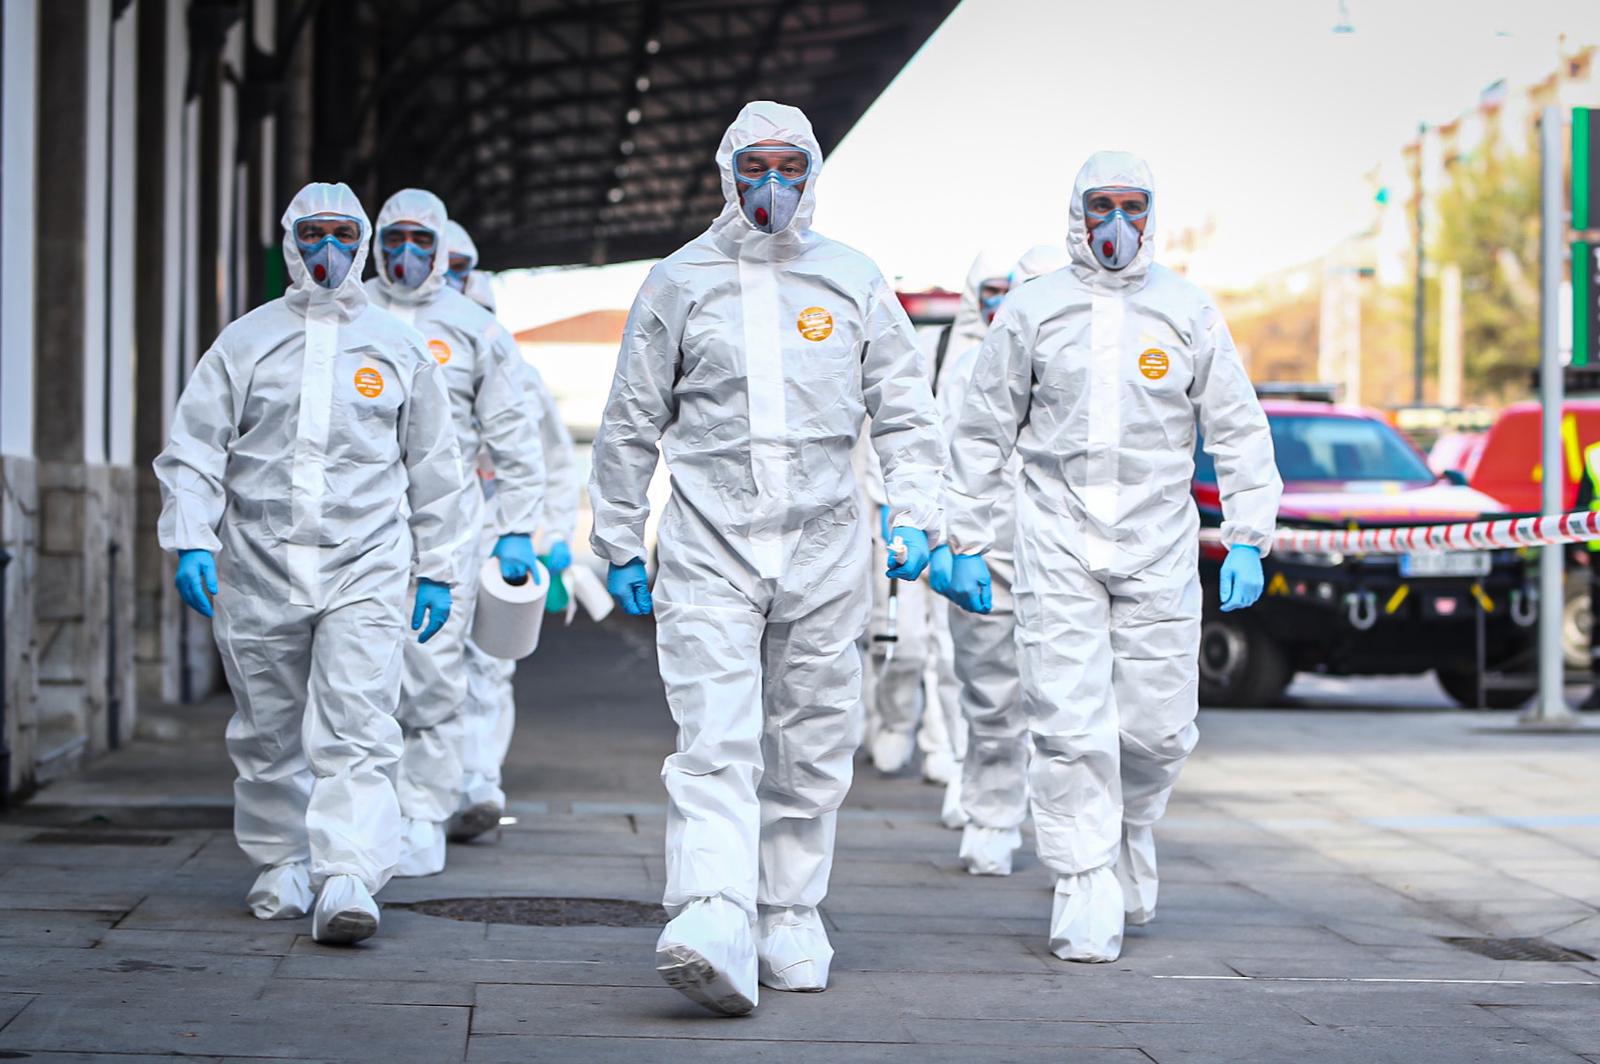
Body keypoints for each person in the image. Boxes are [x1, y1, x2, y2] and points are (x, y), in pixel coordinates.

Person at [589, 100, 945, 1015]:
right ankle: (713, 911)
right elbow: (631, 420)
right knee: (715, 736)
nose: (773, 188)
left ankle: (790, 910)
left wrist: (915, 515)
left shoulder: (852, 280)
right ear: (728, 173)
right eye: (757, 169)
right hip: (711, 540)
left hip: (827, 543)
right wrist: (617, 536)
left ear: (814, 173)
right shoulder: (679, 281)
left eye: (790, 168)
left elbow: (906, 412)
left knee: (814, 735)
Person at [942, 152, 1281, 963]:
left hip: (1158, 544)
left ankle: (1130, 825)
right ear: (1077, 213)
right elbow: (982, 430)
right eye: (1103, 207)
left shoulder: (1186, 310)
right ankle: (1083, 877)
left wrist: (1248, 534)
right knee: (1067, 722)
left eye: (1133, 206)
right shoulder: (1032, 310)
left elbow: (1235, 427)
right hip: (1054, 540)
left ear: (1152, 213)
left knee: (1160, 732)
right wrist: (965, 537)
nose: (1117, 224)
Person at [155, 182, 466, 945]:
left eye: (341, 234)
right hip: (258, 563)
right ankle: (279, 859)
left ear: (359, 242)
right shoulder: (246, 340)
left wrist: (438, 567)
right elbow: (194, 447)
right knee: (268, 726)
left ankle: (349, 874)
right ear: (292, 239)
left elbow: (435, 466)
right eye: (313, 233)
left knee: (358, 721)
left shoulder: (396, 347)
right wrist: (192, 537)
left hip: (365, 561)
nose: (328, 250)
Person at [366, 189, 547, 877]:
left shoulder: (474, 329)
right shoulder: (349, 319)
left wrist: (517, 529)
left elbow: (516, 440)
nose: (406, 255)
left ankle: (421, 814)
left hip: (447, 526)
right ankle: (363, 812)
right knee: (354, 677)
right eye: (394, 239)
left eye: (420, 241)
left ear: (440, 246)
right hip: (354, 526)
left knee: (434, 674)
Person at [930, 243, 1069, 875]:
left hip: (1072, 558)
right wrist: (947, 543)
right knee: (991, 698)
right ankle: (991, 816)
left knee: (1075, 707)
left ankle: (1077, 840)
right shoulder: (968, 370)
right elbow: (941, 461)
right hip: (991, 552)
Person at [443, 221, 583, 843]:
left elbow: (551, 458)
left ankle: (477, 783)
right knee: (418, 666)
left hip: (498, 535)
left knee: (489, 663)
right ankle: (422, 789)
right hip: (417, 536)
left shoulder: (517, 374)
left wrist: (548, 534)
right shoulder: (393, 352)